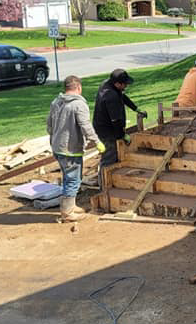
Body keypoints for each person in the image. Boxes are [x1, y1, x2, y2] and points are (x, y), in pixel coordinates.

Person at [47, 75, 104, 222]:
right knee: (73, 180)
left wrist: (54, 138)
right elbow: (86, 126)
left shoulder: (56, 102)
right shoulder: (79, 105)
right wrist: (96, 141)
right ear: (78, 87)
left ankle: (70, 206)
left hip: (57, 147)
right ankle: (67, 213)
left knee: (68, 177)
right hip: (70, 149)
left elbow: (49, 125)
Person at [92, 69, 146, 169]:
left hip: (103, 126)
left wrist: (135, 108)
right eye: (124, 84)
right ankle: (104, 181)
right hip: (106, 131)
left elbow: (122, 96)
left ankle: (107, 178)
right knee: (110, 157)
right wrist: (122, 135)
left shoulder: (108, 84)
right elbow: (116, 120)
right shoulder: (111, 96)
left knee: (114, 155)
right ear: (117, 83)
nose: (126, 86)